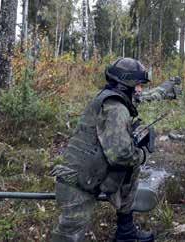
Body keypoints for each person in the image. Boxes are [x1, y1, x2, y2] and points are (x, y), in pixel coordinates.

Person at [50, 58, 155, 242]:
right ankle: (126, 231)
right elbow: (120, 155)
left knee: (131, 170)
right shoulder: (116, 108)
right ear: (127, 82)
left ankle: (126, 231)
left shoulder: (109, 99)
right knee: (68, 235)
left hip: (86, 176)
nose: (140, 90)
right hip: (76, 183)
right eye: (139, 85)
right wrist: (141, 154)